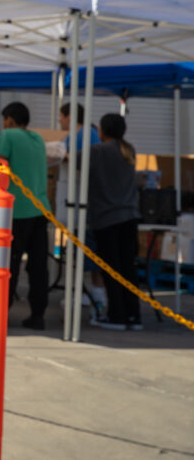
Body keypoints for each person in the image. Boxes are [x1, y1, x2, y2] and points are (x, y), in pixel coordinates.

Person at [0, 101, 52, 330]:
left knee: (8, 265)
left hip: (15, 211)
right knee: (38, 266)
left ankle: (0, 314)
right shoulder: (38, 139)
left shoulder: (7, 136)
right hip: (40, 209)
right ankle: (38, 314)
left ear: (8, 120)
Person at [87, 114, 142, 330]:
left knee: (111, 269)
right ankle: (133, 315)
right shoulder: (129, 150)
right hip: (129, 217)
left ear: (103, 131)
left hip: (107, 219)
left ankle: (116, 316)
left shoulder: (97, 151)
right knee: (128, 268)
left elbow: (72, 159)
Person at [57, 103, 105, 314]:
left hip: (89, 204)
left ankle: (95, 295)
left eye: (61, 116)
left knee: (90, 253)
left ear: (69, 116)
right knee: (82, 252)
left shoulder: (86, 134)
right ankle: (89, 294)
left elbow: (83, 161)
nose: (59, 120)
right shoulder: (78, 134)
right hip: (77, 202)